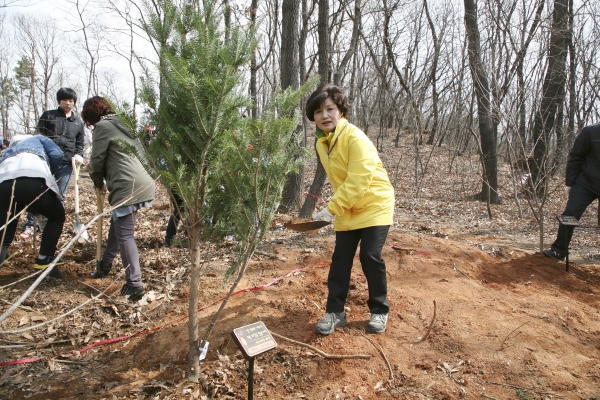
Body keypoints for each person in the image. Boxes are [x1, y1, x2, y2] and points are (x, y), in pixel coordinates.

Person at [307, 84, 395, 335]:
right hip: (347, 206)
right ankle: (335, 312)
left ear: (341, 111)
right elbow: (340, 181)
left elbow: (358, 180)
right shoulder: (322, 143)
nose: (324, 116)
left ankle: (379, 311)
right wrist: (331, 209)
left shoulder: (356, 138)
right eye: (317, 112)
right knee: (340, 260)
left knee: (370, 256)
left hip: (375, 203)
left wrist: (331, 209)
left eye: (330, 109)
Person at [82, 96, 155, 302]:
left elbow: (96, 160)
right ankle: (105, 264)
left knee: (125, 235)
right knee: (119, 222)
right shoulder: (126, 124)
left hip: (126, 183)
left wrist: (97, 180)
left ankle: (134, 284)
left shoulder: (103, 127)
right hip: (143, 180)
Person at [21, 88, 85, 240]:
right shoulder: (49, 116)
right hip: (46, 161)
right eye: (65, 100)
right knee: (39, 192)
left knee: (58, 195)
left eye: (71, 101)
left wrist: (78, 155)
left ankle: (53, 223)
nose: (68, 103)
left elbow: (79, 143)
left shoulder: (77, 122)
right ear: (59, 101)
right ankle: (31, 224)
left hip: (66, 163)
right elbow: (40, 137)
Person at [0, 135, 66, 277]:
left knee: (6, 227)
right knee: (56, 216)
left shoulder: (8, 152)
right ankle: (44, 259)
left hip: (3, 183)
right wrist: (50, 172)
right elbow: (57, 154)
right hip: (33, 178)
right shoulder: (38, 138)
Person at [544, 122, 600, 260]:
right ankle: (559, 250)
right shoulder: (590, 131)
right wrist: (569, 183)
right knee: (570, 213)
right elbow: (576, 156)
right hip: (586, 183)